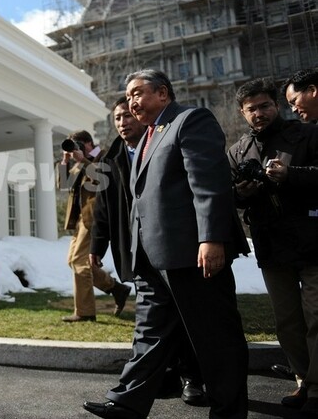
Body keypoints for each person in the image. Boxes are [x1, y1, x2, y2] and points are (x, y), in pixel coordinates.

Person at [82, 69, 250, 419]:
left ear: (163, 93)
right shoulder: (145, 138)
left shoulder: (191, 120)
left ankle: (228, 412)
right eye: (127, 97)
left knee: (215, 338)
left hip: (192, 254)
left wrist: (211, 237)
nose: (131, 102)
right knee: (150, 335)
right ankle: (125, 404)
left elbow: (208, 183)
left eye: (137, 93)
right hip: (152, 259)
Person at [89, 96, 206, 407]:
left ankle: (194, 378)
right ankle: (162, 380)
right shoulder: (110, 158)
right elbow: (102, 209)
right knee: (151, 322)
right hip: (136, 252)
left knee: (182, 318)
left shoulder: (168, 142)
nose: (123, 122)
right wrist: (95, 246)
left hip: (175, 248)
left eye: (128, 115)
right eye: (117, 118)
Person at [227, 78, 318, 413]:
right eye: (252, 109)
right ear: (242, 113)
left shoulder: (307, 134)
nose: (259, 113)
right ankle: (302, 381)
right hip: (271, 244)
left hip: (312, 238)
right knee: (287, 320)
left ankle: (316, 388)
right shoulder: (237, 151)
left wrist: (290, 174)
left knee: (316, 313)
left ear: (276, 105)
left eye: (265, 106)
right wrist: (244, 192)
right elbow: (230, 196)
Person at [56, 130, 130, 322]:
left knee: (80, 263)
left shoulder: (104, 156)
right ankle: (116, 288)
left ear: (89, 143)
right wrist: (65, 160)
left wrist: (83, 160)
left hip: (96, 218)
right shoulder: (80, 162)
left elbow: (106, 180)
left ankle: (85, 312)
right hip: (81, 220)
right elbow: (63, 184)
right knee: (73, 261)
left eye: (79, 145)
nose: (77, 149)